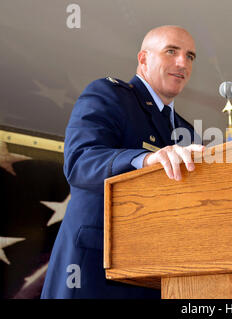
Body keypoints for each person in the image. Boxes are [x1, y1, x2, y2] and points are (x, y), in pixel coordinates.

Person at [41, 25, 204, 298]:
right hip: (94, 272)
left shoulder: (188, 132)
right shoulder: (110, 94)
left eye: (190, 56)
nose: (182, 62)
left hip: (156, 274)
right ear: (143, 59)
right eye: (171, 51)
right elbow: (80, 162)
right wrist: (146, 160)